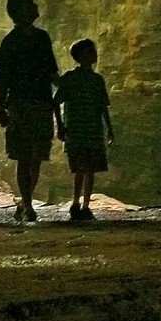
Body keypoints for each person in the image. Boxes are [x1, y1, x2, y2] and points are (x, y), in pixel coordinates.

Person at [0, 0, 59, 222]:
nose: (35, 7)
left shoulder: (41, 38)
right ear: (19, 12)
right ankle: (28, 203)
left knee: (37, 156)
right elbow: (2, 79)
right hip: (22, 104)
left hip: (40, 103)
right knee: (25, 156)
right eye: (29, 5)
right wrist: (2, 109)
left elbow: (52, 72)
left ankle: (26, 201)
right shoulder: (10, 42)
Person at [54, 39, 112, 222]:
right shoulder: (78, 79)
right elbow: (56, 102)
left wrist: (109, 129)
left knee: (88, 168)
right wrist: (61, 126)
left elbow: (103, 106)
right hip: (79, 129)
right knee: (82, 168)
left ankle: (83, 204)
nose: (94, 54)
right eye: (90, 51)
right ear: (80, 56)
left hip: (88, 128)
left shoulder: (92, 79)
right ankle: (77, 203)